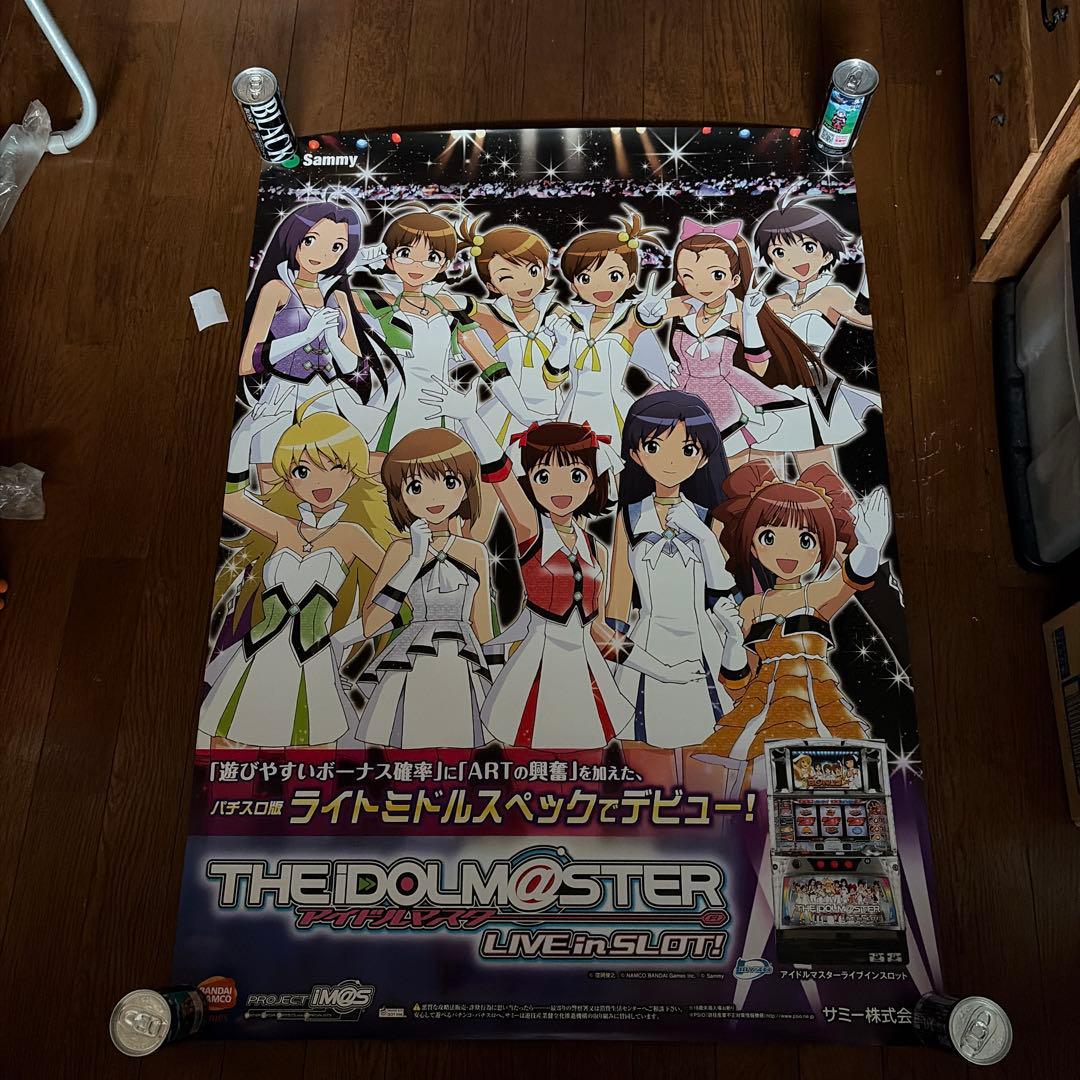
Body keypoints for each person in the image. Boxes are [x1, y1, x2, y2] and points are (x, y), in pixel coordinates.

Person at [422, 377, 705, 749]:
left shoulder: (596, 549)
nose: (560, 488)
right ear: (530, 481)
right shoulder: (531, 530)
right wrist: (470, 418)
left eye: (575, 475)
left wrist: (663, 671)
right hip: (537, 665)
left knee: (584, 758)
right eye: (543, 476)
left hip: (587, 670)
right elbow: (500, 476)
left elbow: (601, 632)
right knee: (530, 755)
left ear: (592, 481)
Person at [200, 397, 398, 749]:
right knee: (228, 739)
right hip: (256, 653)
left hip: (314, 656)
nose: (320, 481)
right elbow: (230, 500)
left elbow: (397, 584)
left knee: (312, 746)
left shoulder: (351, 535)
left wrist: (349, 635)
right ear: (289, 483)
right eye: (303, 471)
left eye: (335, 466)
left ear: (352, 472)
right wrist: (245, 434)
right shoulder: (283, 529)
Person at [693, 460, 892, 768]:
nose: (787, 552)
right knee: (764, 781)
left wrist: (868, 548)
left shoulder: (814, 596)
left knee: (828, 779)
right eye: (769, 537)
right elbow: (739, 687)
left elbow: (850, 580)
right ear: (752, 544)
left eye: (805, 540)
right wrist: (733, 639)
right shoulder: (752, 607)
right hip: (762, 715)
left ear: (822, 547)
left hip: (817, 710)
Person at [230, 200, 401, 493]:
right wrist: (305, 335)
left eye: (336, 247)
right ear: (294, 238)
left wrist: (333, 340)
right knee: (276, 486)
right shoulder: (277, 290)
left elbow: (357, 370)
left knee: (334, 483)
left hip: (332, 399)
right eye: (311, 240)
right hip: (282, 397)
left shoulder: (338, 296)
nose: (321, 254)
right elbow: (247, 362)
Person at [605, 391, 746, 747]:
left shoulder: (710, 519)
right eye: (654, 447)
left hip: (705, 644)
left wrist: (703, 535)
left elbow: (726, 592)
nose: (670, 461)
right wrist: (628, 661)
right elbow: (616, 610)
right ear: (636, 454)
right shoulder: (629, 518)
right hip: (646, 648)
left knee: (710, 745)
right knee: (645, 749)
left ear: (703, 457)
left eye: (686, 449)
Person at [351, 428, 493, 748]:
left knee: (459, 749)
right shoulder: (400, 551)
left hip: (463, 663)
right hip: (412, 660)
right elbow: (371, 624)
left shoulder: (474, 552)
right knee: (409, 743)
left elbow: (483, 628)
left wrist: (497, 679)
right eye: (416, 487)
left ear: (466, 489)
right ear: (399, 495)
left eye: (449, 482)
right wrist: (415, 560)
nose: (434, 497)